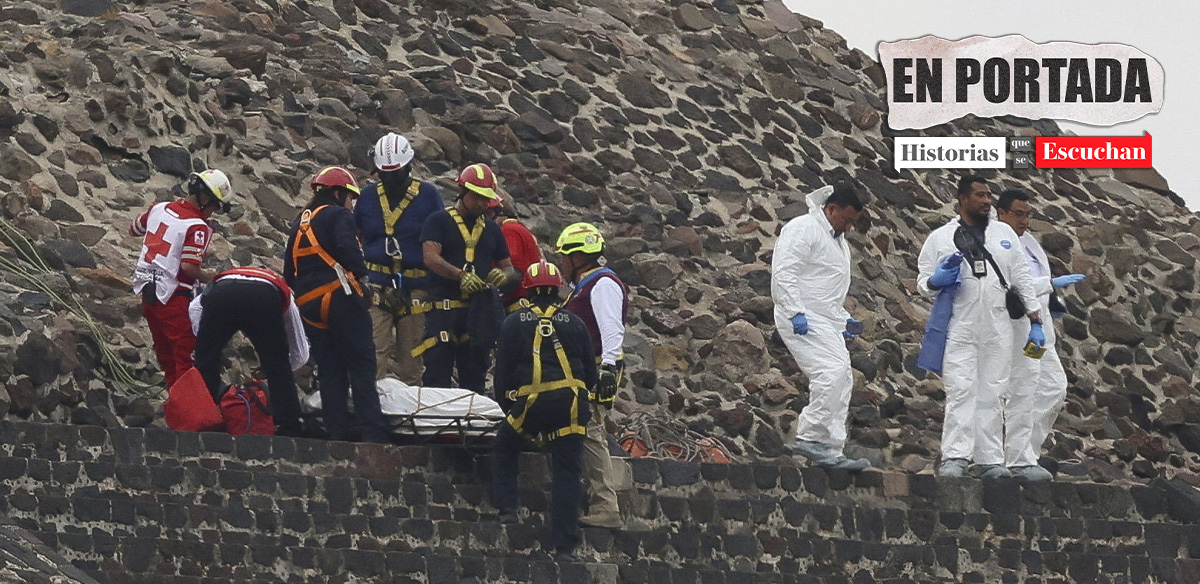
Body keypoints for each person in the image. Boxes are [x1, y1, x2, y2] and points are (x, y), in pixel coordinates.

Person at [917, 175, 1043, 478]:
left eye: (989, 195)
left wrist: (1035, 318)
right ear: (963, 199)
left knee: (993, 393)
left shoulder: (1004, 234)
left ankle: (989, 460)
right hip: (961, 325)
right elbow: (923, 280)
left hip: (997, 326)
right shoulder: (941, 237)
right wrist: (935, 281)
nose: (987, 201)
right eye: (980, 196)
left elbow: (1021, 276)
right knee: (961, 391)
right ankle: (956, 456)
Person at [491, 260, 596, 562]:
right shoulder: (575, 322)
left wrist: (509, 409)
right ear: (558, 288)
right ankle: (564, 546)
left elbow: (503, 374)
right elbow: (589, 373)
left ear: (530, 289)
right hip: (571, 405)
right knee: (568, 470)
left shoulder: (514, 322)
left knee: (504, 445)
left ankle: (507, 510)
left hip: (532, 402)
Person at [284, 165, 388, 443]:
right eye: (351, 197)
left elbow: (288, 273)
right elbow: (348, 249)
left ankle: (337, 434)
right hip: (340, 299)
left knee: (330, 371)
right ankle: (372, 435)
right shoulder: (339, 215)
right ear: (338, 192)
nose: (352, 203)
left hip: (309, 305)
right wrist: (364, 278)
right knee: (362, 366)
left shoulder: (298, 224)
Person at [771, 184, 871, 472]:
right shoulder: (803, 228)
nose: (849, 227)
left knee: (844, 378)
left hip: (823, 318)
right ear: (831, 209)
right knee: (830, 372)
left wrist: (843, 320)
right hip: (800, 315)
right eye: (847, 219)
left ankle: (831, 447)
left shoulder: (838, 242)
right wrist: (793, 311)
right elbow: (785, 271)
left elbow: (825, 291)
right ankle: (811, 436)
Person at [996, 189, 1085, 481]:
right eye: (1018, 214)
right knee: (1021, 391)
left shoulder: (1029, 243)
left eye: (1028, 214)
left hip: (1040, 329)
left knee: (1054, 388)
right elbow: (1010, 286)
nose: (1024, 220)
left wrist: (1052, 298)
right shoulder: (996, 242)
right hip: (1018, 327)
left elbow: (1035, 282)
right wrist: (1049, 283)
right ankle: (1016, 457)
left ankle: (1024, 453)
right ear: (1002, 213)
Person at [415, 163, 518, 394]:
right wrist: (459, 275)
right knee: (437, 373)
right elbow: (430, 257)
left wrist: (503, 276)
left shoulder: (492, 230)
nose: (481, 203)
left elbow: (509, 268)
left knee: (474, 377)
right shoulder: (439, 220)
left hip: (476, 313)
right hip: (443, 310)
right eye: (476, 197)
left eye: (485, 198)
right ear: (462, 191)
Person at [130, 169, 233, 388]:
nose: (214, 212)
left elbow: (134, 228)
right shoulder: (198, 227)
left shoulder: (158, 208)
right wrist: (214, 278)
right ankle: (191, 416)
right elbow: (188, 267)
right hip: (174, 298)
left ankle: (177, 409)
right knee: (186, 360)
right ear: (205, 198)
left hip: (148, 295)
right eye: (216, 206)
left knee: (166, 359)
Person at [355, 133, 444, 384]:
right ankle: (372, 414)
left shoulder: (428, 196)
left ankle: (409, 418)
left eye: (395, 174)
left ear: (408, 168)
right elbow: (356, 234)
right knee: (373, 357)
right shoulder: (368, 196)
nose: (390, 181)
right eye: (385, 174)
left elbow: (441, 238)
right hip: (377, 287)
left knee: (411, 363)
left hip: (416, 288)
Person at [556, 222, 626, 529]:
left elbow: (611, 329)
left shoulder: (603, 284)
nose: (561, 263)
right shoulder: (584, 286)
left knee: (591, 431)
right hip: (584, 367)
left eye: (563, 257)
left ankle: (605, 505)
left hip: (597, 368)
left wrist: (608, 368)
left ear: (576, 257)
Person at [188, 267, 309, 436]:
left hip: (221, 293)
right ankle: (289, 426)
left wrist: (205, 343)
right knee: (277, 364)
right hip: (262, 298)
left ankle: (205, 418)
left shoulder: (226, 278)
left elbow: (194, 308)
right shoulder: (285, 294)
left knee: (205, 363)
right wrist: (270, 371)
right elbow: (300, 354)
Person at [486, 190, 542, 311]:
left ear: (501, 215)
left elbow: (512, 266)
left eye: (488, 214)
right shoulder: (520, 229)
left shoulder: (508, 230)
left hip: (516, 299)